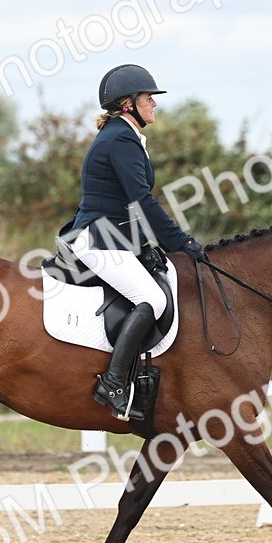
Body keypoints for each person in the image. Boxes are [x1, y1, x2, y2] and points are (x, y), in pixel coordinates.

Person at [68, 64, 207, 421]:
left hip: (113, 237)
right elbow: (142, 200)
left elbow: (128, 205)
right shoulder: (120, 138)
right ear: (128, 103)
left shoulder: (123, 135)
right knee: (152, 298)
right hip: (99, 239)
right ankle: (113, 383)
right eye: (149, 98)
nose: (154, 104)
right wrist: (179, 242)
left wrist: (145, 243)